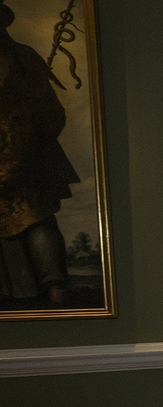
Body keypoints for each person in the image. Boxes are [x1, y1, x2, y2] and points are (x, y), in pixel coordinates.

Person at [0, 0, 76, 308]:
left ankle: (54, 290)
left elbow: (50, 112)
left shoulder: (23, 58)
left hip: (28, 154)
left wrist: (31, 131)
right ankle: (18, 293)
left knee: (37, 219)